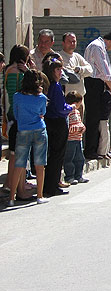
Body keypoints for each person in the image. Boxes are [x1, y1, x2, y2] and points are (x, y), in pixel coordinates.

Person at [8, 69, 49, 206]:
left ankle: (12, 198)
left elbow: (16, 113)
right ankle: (39, 195)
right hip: (39, 129)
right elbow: (42, 112)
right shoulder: (42, 97)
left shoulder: (17, 96)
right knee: (39, 164)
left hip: (23, 130)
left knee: (19, 164)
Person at [83, 33, 111, 160]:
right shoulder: (97, 47)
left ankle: (96, 149)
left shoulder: (97, 46)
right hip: (93, 83)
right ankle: (90, 150)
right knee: (93, 117)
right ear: (110, 41)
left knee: (96, 117)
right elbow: (104, 71)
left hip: (95, 83)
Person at [42, 58, 73, 197]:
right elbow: (61, 107)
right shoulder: (55, 86)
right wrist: (70, 107)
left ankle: (48, 185)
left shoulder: (47, 84)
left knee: (51, 155)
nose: (61, 72)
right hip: (57, 122)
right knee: (57, 155)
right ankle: (53, 186)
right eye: (58, 69)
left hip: (49, 121)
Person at [59, 32, 93, 117]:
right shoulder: (60, 57)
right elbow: (69, 76)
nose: (72, 44)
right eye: (69, 41)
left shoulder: (77, 56)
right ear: (63, 43)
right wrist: (80, 75)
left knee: (79, 126)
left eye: (74, 41)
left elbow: (90, 70)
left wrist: (80, 70)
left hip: (80, 98)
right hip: (68, 99)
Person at [63, 90, 89, 184]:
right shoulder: (68, 113)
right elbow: (70, 127)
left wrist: (82, 127)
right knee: (69, 158)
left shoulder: (77, 113)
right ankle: (69, 176)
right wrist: (77, 128)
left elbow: (79, 123)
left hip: (78, 139)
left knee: (80, 158)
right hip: (70, 139)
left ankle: (79, 175)